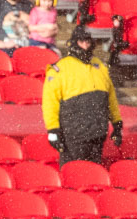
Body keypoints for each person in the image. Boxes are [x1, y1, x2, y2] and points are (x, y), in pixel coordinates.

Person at [43, 26, 122, 165]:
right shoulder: (60, 69)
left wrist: (117, 123)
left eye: (88, 41)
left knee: (95, 175)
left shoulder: (99, 65)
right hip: (73, 134)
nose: (85, 45)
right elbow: (50, 102)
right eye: (81, 41)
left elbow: (111, 98)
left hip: (98, 133)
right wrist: (52, 130)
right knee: (74, 172)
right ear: (74, 42)